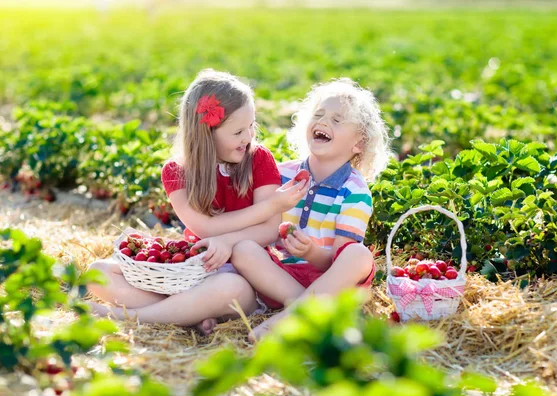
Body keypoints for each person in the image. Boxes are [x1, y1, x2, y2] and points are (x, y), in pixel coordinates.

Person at [87, 69, 308, 334]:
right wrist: (269, 206)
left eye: (251, 126)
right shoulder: (176, 172)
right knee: (98, 271)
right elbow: (205, 229)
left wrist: (230, 241)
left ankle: (132, 316)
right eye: (238, 131)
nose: (248, 137)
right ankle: (191, 312)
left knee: (228, 287)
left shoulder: (259, 159)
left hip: (244, 276)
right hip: (194, 270)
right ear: (206, 133)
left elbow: (270, 229)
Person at [230, 78, 392, 341]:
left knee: (358, 256)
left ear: (359, 144)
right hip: (280, 279)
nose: (324, 122)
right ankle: (302, 309)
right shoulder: (281, 174)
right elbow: (262, 228)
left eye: (337, 120)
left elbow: (338, 259)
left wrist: (312, 252)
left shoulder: (355, 192)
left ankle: (285, 321)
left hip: (329, 280)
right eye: (318, 115)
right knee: (243, 249)